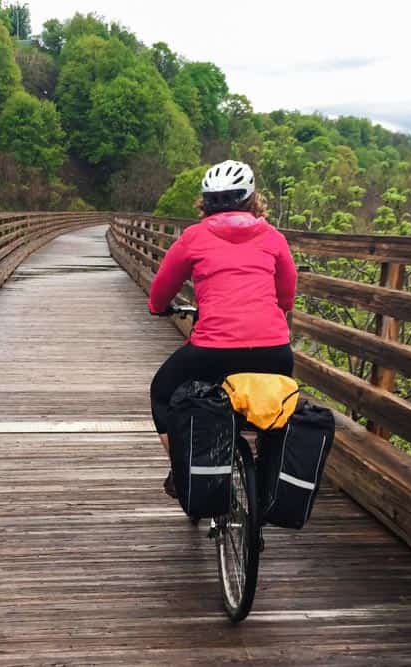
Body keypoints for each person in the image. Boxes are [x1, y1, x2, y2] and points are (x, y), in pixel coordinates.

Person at [148, 160, 297, 498]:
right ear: (252, 199)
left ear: (205, 201)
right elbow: (286, 296)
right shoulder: (274, 238)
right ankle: (267, 482)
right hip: (274, 350)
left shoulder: (194, 237)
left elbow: (161, 290)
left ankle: (182, 469)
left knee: (162, 393)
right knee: (276, 407)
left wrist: (158, 308)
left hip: (211, 352)